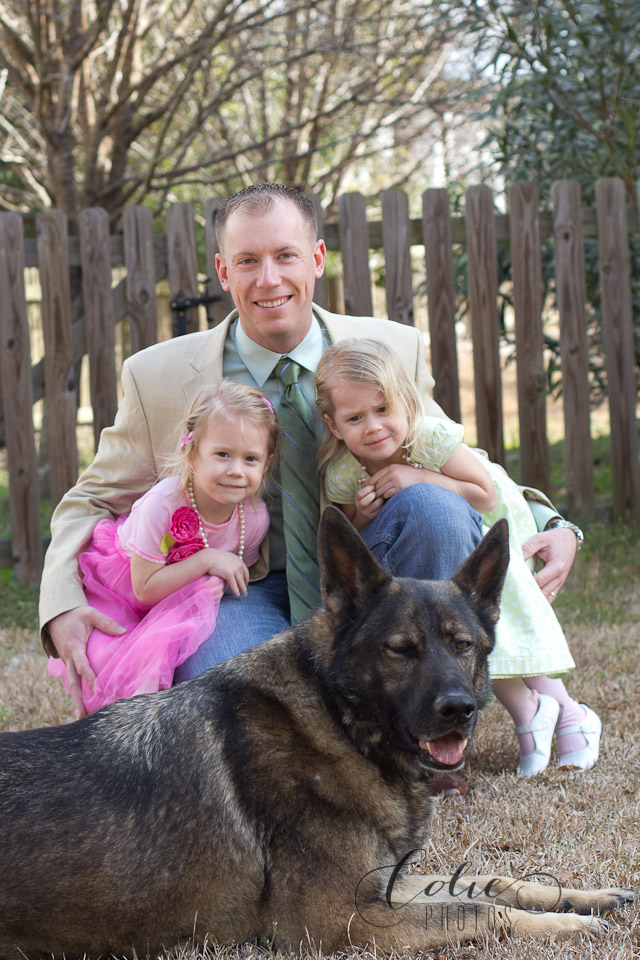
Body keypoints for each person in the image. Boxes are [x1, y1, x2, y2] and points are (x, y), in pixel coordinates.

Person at [39, 182, 582, 720]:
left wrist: (554, 523)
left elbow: (450, 454)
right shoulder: (154, 377)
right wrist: (61, 606)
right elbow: (91, 499)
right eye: (247, 260)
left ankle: (415, 726)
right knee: (241, 716)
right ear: (223, 272)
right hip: (238, 589)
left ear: (317, 258)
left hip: (372, 576)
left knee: (436, 509)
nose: (269, 278)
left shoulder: (389, 349)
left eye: (285, 256)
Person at [314, 339, 601, 775]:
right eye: (355, 418)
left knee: (487, 625)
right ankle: (541, 713)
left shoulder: (428, 439)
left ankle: (561, 712)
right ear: (334, 426)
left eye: (383, 410)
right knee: (457, 631)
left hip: (486, 526)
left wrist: (417, 477)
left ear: (406, 403)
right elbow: (350, 531)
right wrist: (362, 513)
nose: (372, 427)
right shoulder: (342, 471)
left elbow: (484, 494)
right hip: (418, 555)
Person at [48, 381, 277, 714]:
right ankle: (99, 733)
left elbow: (233, 580)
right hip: (126, 589)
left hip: (179, 600)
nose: (236, 471)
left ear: (266, 464)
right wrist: (208, 558)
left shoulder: (253, 518)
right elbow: (143, 590)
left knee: (173, 666)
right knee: (108, 662)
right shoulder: (163, 504)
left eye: (250, 459)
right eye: (222, 454)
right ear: (193, 452)